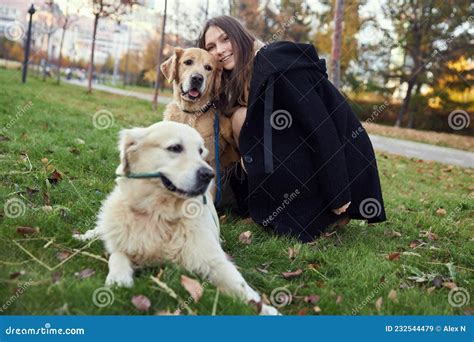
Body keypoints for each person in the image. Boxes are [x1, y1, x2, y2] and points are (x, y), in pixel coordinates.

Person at [197, 16, 386, 242]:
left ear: (240, 36)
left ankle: (325, 211)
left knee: (242, 118)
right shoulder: (237, 81)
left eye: (225, 39)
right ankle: (260, 205)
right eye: (211, 47)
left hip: (332, 157)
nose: (220, 50)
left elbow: (319, 125)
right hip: (295, 155)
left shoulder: (274, 64)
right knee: (239, 117)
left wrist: (338, 191)